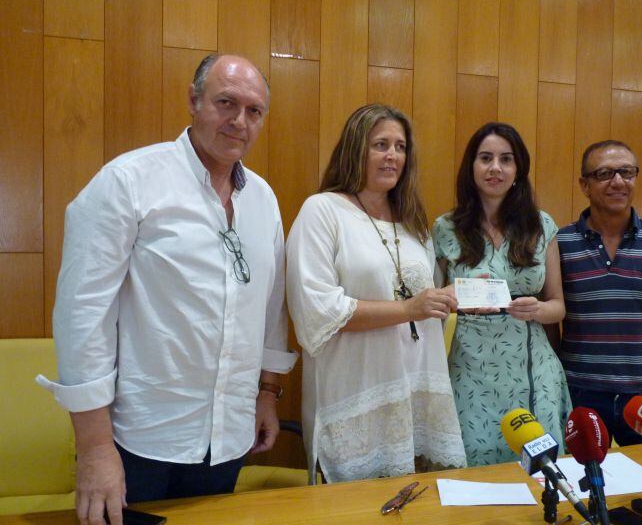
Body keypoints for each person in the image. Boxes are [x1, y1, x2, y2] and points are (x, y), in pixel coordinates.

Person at [37, 54, 297, 525]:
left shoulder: (263, 198)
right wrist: (95, 449)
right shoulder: (129, 182)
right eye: (226, 103)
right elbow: (82, 319)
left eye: (254, 111)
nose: (239, 121)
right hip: (140, 439)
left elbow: (270, 307)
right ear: (194, 101)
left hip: (228, 438)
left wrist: (266, 393)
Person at [286, 104, 467, 483]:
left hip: (414, 396)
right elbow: (318, 312)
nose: (393, 156)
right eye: (380, 144)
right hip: (356, 397)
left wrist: (455, 296)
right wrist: (409, 308)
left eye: (400, 147)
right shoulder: (323, 211)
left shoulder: (413, 223)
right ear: (356, 150)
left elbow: (424, 305)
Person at [432, 122, 571, 467]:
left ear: (518, 169)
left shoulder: (541, 225)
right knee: (472, 468)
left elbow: (559, 307)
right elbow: (433, 305)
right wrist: (450, 296)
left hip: (531, 366)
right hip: (468, 365)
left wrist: (538, 309)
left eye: (506, 159)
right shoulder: (444, 228)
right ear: (472, 166)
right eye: (486, 158)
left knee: (539, 473)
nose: (496, 168)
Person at [556, 140, 642, 445]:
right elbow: (550, 325)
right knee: (585, 484)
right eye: (604, 174)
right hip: (580, 392)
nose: (618, 182)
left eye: (626, 172)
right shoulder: (559, 243)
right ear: (584, 185)